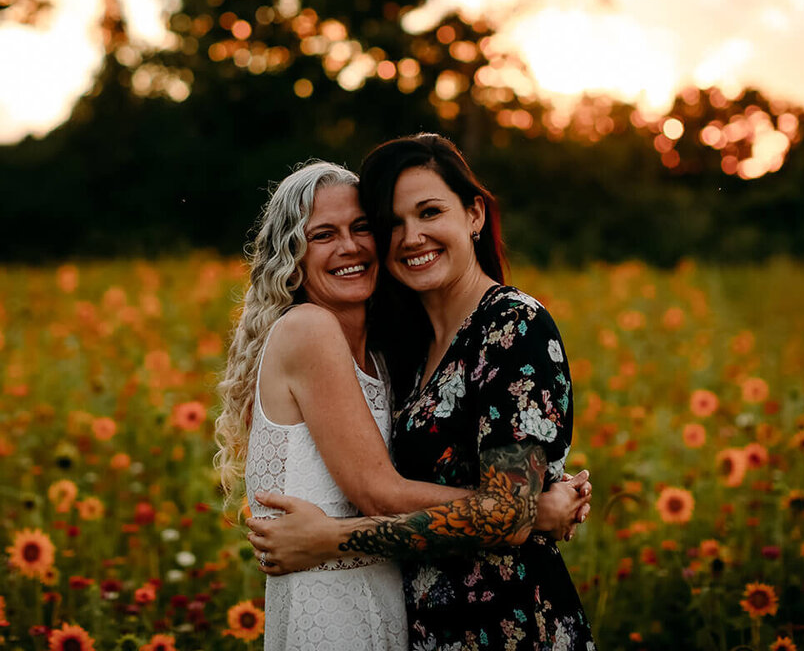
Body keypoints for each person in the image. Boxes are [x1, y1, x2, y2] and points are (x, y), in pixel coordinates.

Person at [216, 161, 591, 651]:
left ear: (474, 215)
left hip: (411, 609)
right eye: (324, 234)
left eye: (362, 228)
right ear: (293, 253)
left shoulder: (391, 352)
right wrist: (529, 512)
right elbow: (380, 491)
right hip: (333, 610)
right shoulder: (310, 330)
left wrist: (517, 504)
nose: (349, 247)